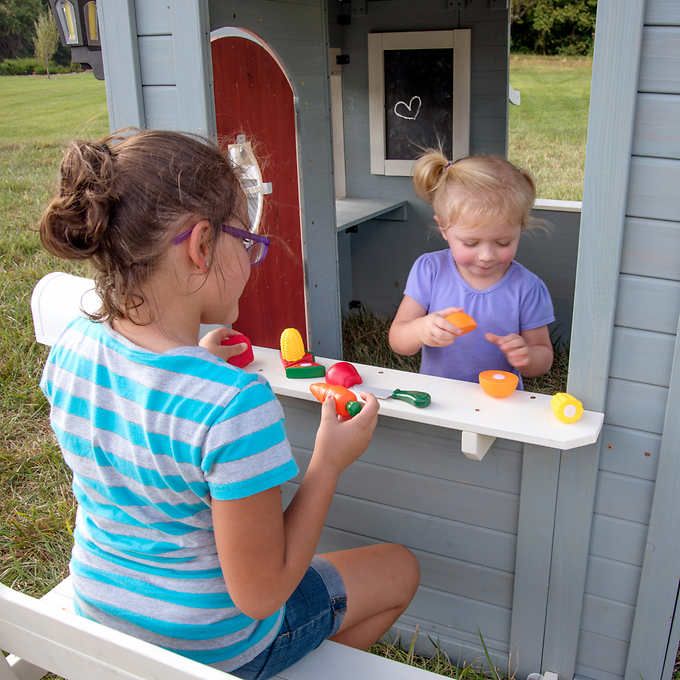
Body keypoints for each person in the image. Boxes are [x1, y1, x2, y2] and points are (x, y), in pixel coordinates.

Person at [38, 129, 419, 680]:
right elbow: (262, 594)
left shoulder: (73, 343)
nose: (251, 254)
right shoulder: (232, 405)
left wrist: (194, 357)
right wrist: (328, 464)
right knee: (397, 569)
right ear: (199, 246)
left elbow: (138, 426)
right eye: (245, 239)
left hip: (102, 617)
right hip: (213, 651)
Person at [389, 151, 555, 387]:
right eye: (471, 243)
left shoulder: (527, 287)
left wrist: (527, 356)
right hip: (440, 398)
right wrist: (420, 330)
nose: (486, 256)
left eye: (503, 242)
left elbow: (544, 356)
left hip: (500, 402)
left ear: (521, 228)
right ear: (444, 229)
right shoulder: (430, 271)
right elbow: (398, 340)